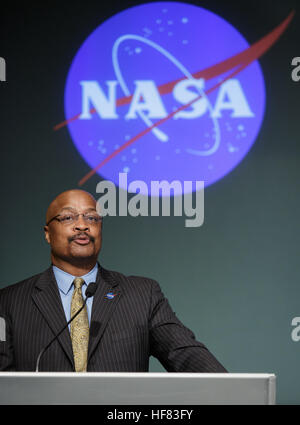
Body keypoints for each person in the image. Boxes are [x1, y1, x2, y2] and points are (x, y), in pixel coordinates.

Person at [0, 189, 227, 372]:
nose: (82, 225)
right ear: (48, 233)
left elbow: (184, 352)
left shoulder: (142, 294)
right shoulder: (8, 302)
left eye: (92, 218)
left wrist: (234, 391)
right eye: (68, 217)